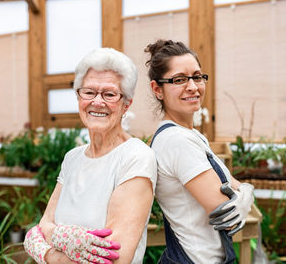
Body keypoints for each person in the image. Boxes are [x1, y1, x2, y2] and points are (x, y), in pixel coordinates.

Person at [23, 48, 157, 264]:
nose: (97, 102)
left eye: (110, 94)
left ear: (126, 104)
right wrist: (64, 239)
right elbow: (44, 225)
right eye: (89, 92)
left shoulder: (136, 157)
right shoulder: (72, 158)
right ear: (78, 96)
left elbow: (115, 259)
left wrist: (47, 251)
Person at [145, 40, 254, 264]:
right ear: (158, 89)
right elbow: (225, 211)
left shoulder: (193, 136)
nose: (193, 86)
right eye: (180, 79)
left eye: (197, 76)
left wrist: (244, 191)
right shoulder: (176, 141)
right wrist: (244, 195)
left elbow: (232, 185)